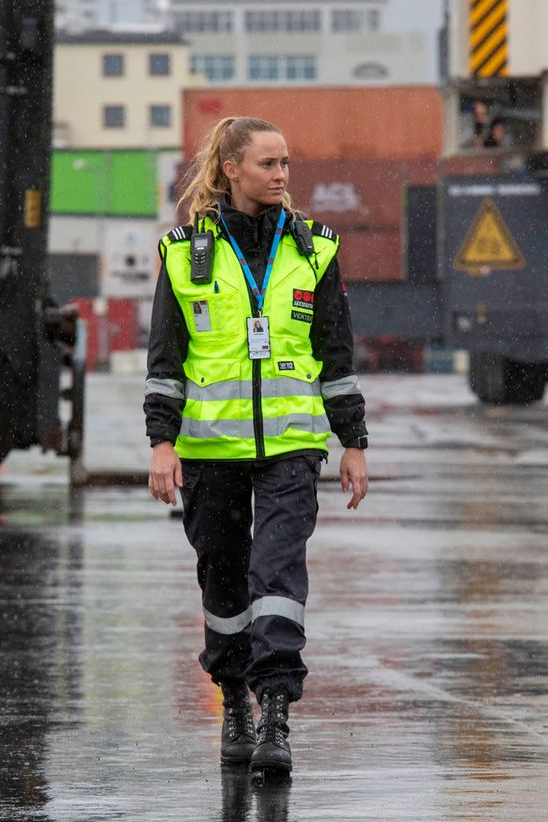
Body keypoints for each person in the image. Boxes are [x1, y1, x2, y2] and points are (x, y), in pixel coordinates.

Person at [144, 116, 369, 778]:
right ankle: (234, 700)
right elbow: (166, 359)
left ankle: (274, 708)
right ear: (231, 169)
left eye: (286, 164)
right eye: (268, 163)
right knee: (222, 573)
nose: (281, 175)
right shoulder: (184, 255)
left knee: (276, 574)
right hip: (209, 451)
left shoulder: (316, 251)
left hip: (292, 448)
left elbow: (336, 353)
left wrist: (352, 441)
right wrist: (162, 443)